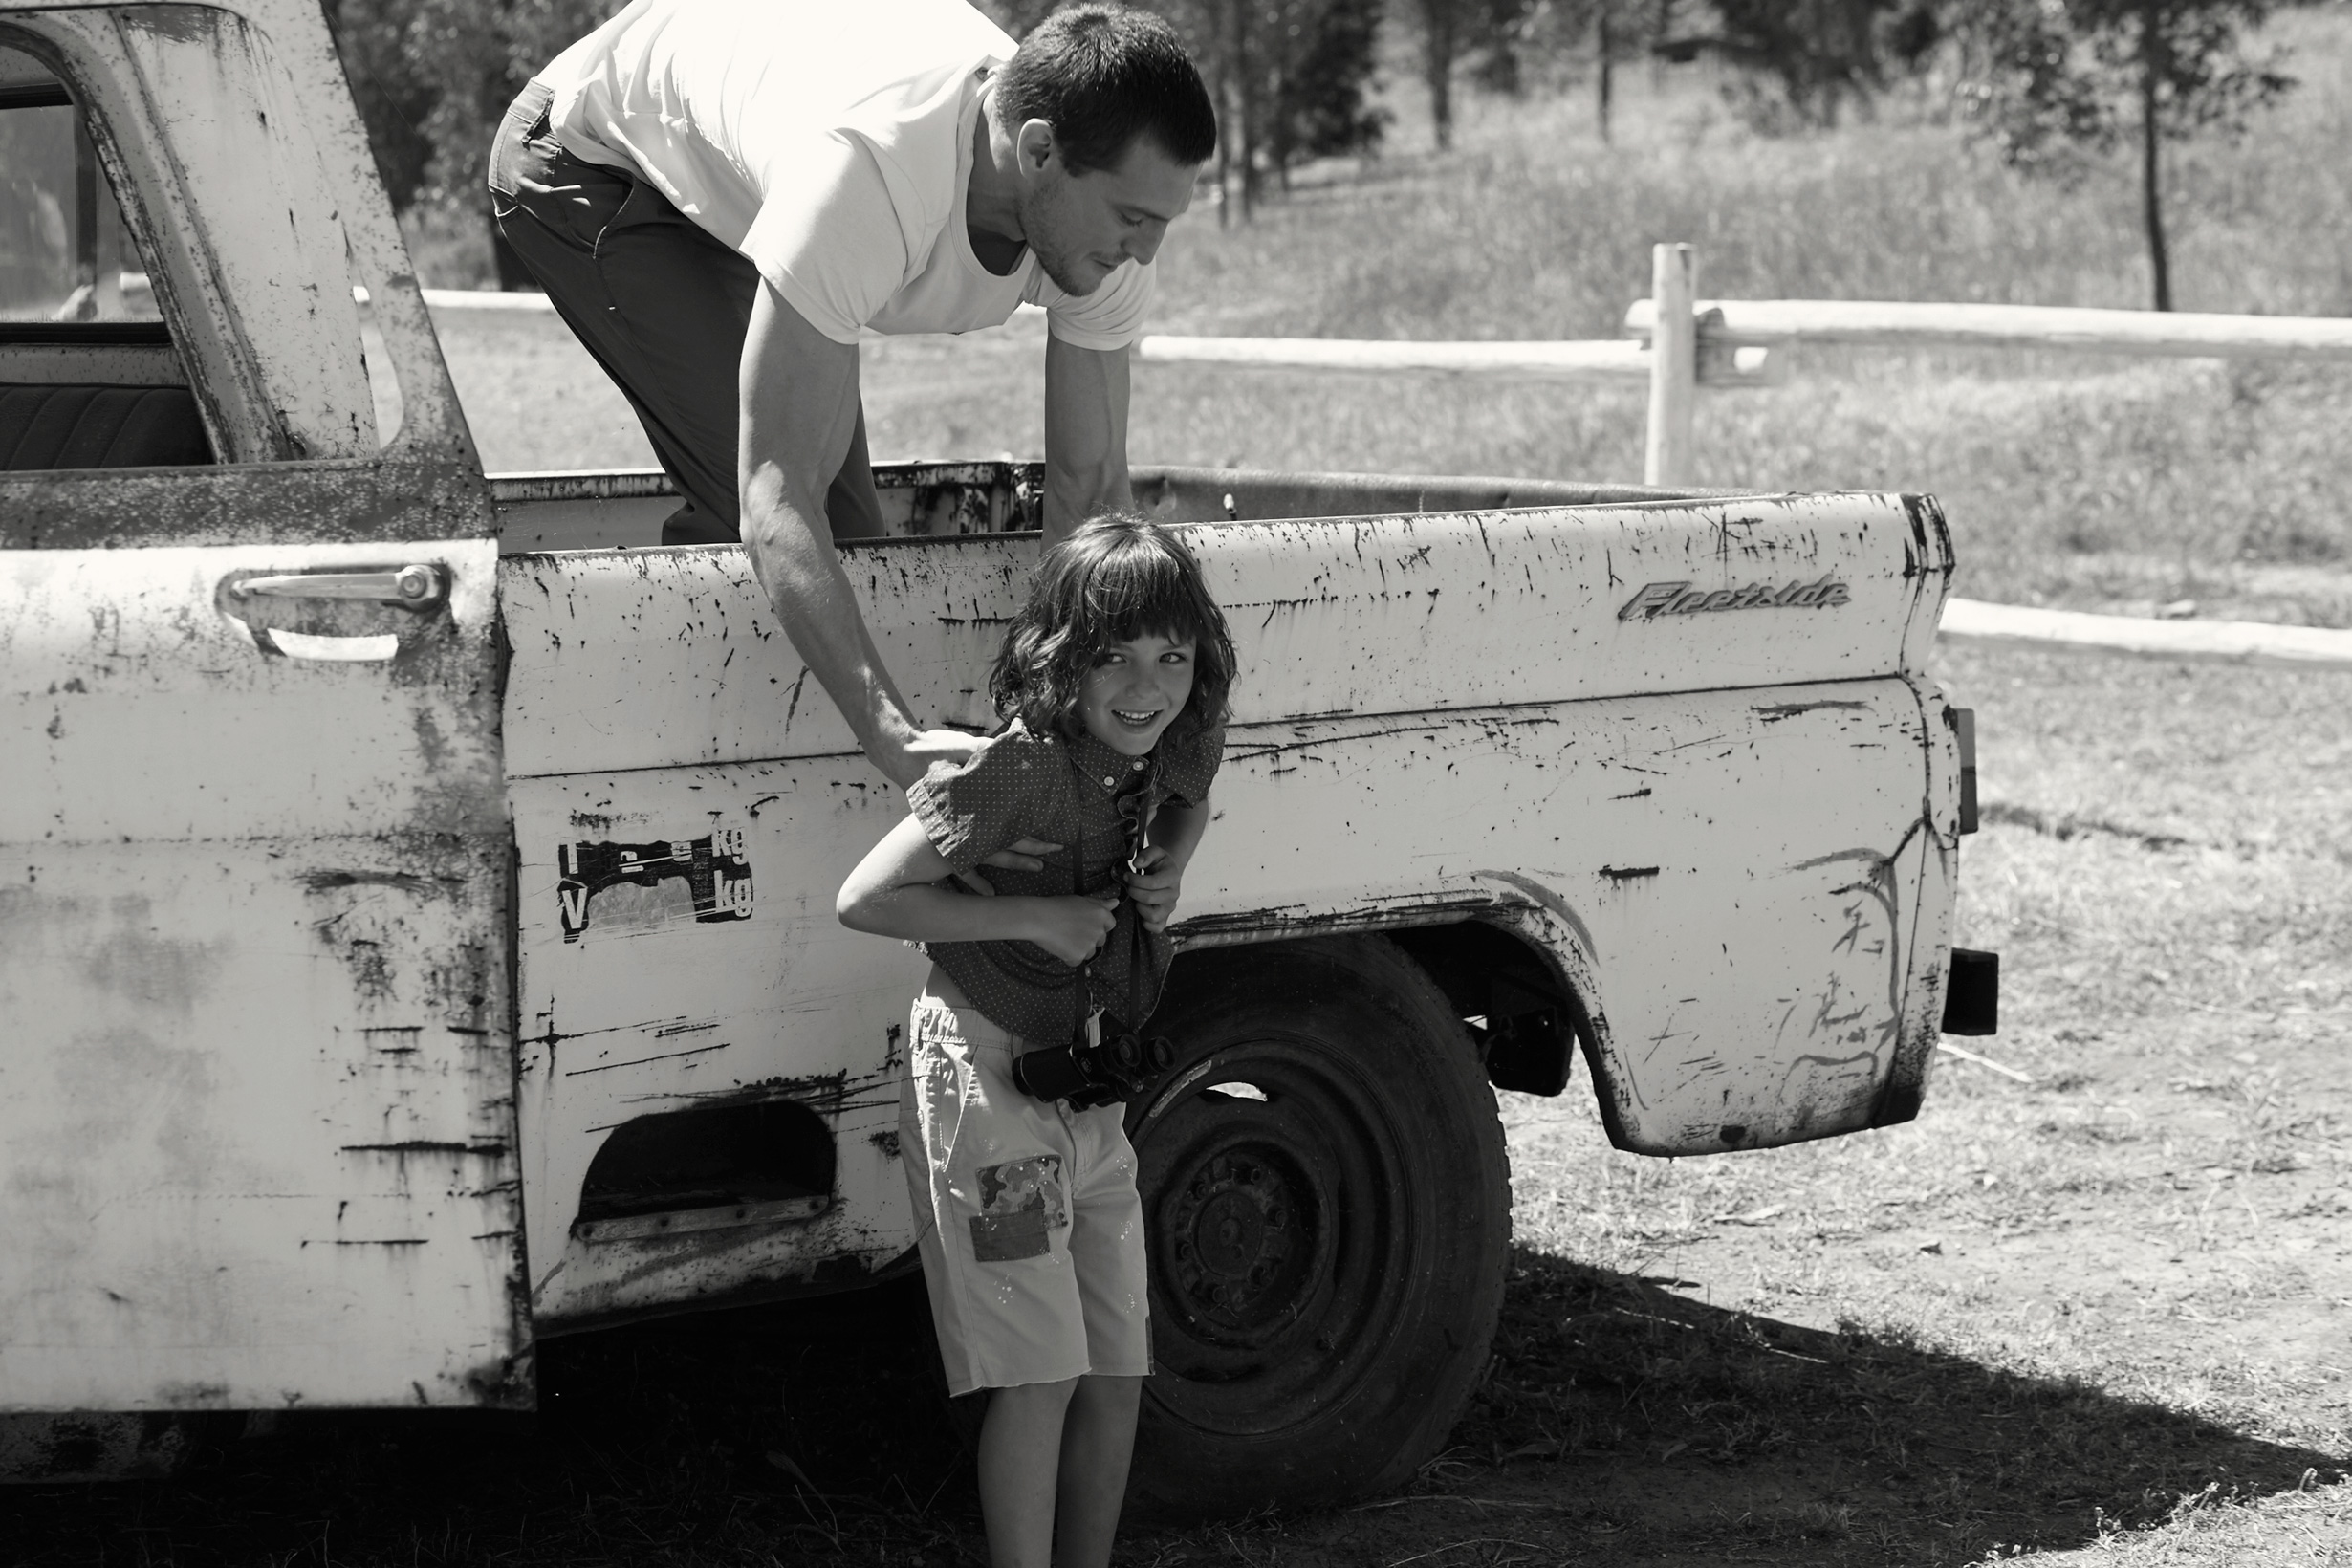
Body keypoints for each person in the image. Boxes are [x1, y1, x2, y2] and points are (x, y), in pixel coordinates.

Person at [489, 0, 1218, 792]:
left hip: (758, 158)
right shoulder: (870, 178)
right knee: (766, 521)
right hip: (591, 155)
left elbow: (1088, 492)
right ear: (1039, 151)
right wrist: (894, 738)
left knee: (856, 551)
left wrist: (1065, 722)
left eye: (1163, 220)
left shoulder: (1100, 226)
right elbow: (776, 492)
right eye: (1132, 217)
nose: (1147, 250)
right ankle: (666, 792)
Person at [836, 514, 1235, 1568]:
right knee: (1039, 1371)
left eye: (1172, 657)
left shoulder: (1176, 729)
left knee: (1115, 1370)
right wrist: (1035, 917)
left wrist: (1171, 861)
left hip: (1087, 1096)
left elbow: (1192, 795)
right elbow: (865, 896)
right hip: (991, 1094)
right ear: (1063, 660)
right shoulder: (1019, 772)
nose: (1146, 685)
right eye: (1115, 658)